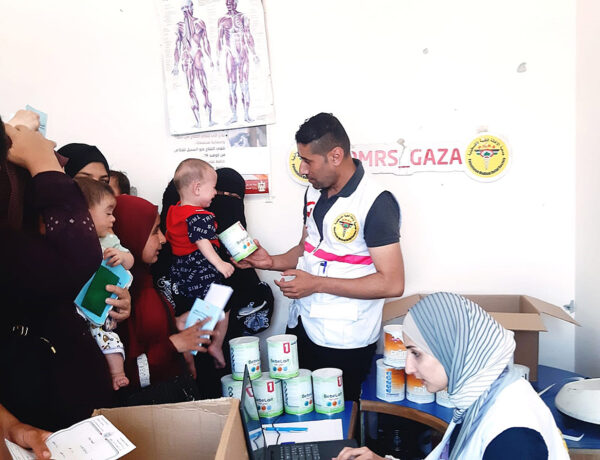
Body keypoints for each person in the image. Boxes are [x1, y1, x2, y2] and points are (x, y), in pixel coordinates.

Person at [235, 112, 405, 401]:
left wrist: (316, 284)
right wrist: (271, 261)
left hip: (344, 339)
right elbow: (307, 248)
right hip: (303, 324)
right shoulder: (313, 193)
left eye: (308, 161)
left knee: (339, 418)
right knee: (301, 409)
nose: (302, 169)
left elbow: (392, 283)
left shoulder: (375, 202)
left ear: (335, 156)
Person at [0, 112, 130, 431]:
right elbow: (74, 261)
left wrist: (115, 307)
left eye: (103, 183)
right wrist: (40, 159)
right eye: (79, 180)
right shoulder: (37, 240)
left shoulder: (32, 238)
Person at [334, 292, 570, 460]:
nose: (408, 369)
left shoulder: (513, 438)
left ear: (453, 351)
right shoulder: (480, 393)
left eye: (416, 353)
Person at [112, 194, 216, 394]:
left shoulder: (145, 280)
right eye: (154, 231)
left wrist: (173, 323)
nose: (163, 238)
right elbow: (125, 378)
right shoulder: (119, 295)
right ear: (132, 234)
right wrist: (174, 344)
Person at [74, 177, 133, 390]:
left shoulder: (110, 240)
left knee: (109, 339)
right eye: (108, 213)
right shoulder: (73, 241)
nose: (113, 219)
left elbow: (130, 260)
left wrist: (121, 256)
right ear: (85, 212)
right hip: (79, 309)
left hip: (102, 306)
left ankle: (117, 373)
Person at [173, 0, 215, 127]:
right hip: (186, 58)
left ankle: (209, 120)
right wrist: (175, 65)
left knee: (204, 87)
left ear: (192, 7)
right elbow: (177, 46)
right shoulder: (180, 26)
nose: (185, 11)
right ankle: (198, 122)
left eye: (187, 7)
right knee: (191, 88)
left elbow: (206, 41)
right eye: (182, 8)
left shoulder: (199, 23)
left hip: (198, 55)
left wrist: (210, 58)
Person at [217, 0, 259, 124]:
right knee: (232, 87)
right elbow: (219, 40)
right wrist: (217, 58)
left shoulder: (243, 17)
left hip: (243, 54)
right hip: (230, 55)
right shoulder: (222, 20)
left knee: (245, 86)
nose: (228, 4)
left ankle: (246, 115)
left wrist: (254, 53)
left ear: (236, 2)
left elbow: (248, 35)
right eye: (227, 2)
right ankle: (234, 115)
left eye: (231, 1)